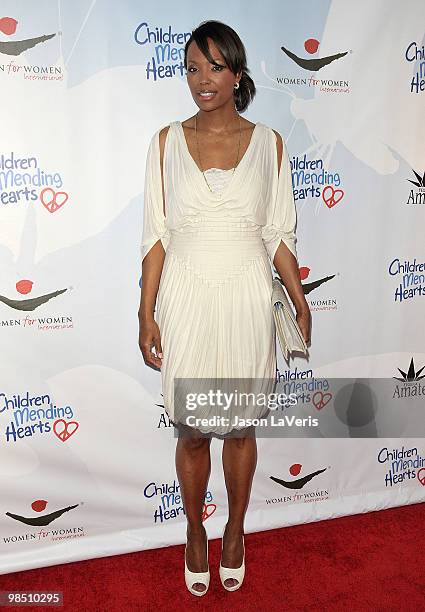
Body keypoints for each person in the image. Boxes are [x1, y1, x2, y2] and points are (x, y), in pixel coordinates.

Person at [138, 20, 311, 597]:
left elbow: (277, 232)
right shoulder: (164, 142)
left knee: (238, 428)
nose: (202, 80)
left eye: (214, 67)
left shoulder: (270, 145)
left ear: (237, 73)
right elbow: (155, 237)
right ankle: (194, 530)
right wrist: (146, 313)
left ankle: (234, 531)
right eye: (191, 68)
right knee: (191, 430)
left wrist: (299, 295)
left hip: (245, 295)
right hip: (185, 295)